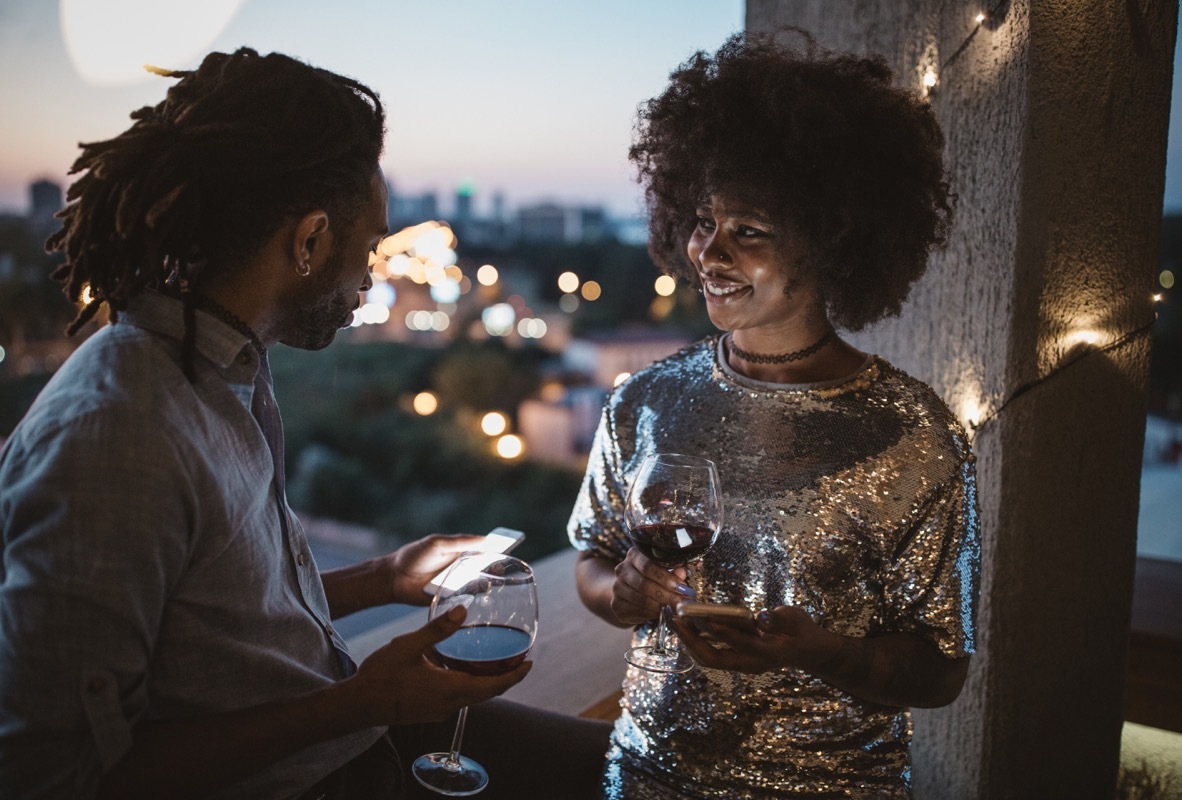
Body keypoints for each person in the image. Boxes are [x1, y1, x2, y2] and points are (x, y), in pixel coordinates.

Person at [0, 49, 541, 800]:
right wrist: (360, 703)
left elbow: (223, 624)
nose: (375, 273)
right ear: (311, 239)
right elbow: (60, 779)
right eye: (374, 244)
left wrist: (384, 578)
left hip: (351, 739)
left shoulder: (221, 371)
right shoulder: (115, 434)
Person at [570, 31, 980, 799]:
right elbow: (592, 561)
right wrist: (619, 593)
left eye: (747, 231)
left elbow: (942, 669)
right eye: (701, 221)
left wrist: (820, 652)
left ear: (831, 239)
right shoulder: (644, 401)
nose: (707, 252)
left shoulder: (913, 436)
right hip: (645, 777)